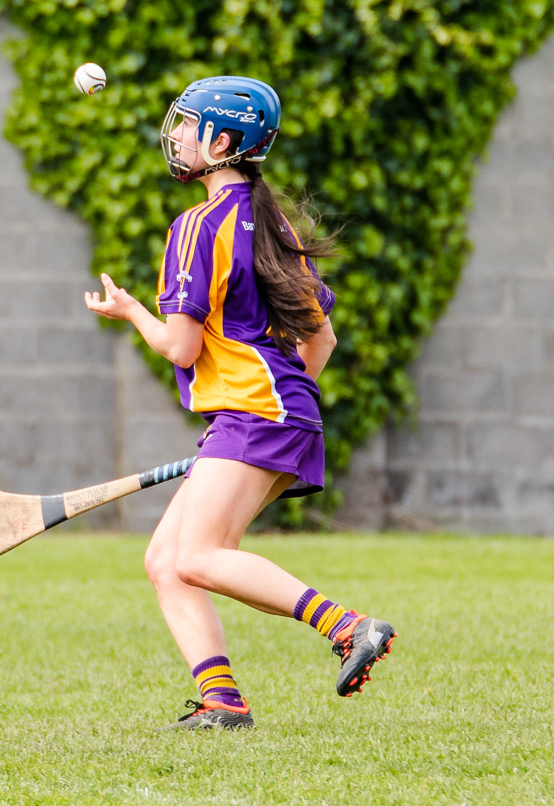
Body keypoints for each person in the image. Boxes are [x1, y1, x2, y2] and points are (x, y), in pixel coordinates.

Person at [84, 76, 396, 730]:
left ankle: (348, 628)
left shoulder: (196, 226)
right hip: (270, 412)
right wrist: (284, 407)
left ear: (217, 142)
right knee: (165, 561)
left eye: (183, 124)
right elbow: (322, 337)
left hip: (259, 414)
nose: (171, 135)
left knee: (196, 555)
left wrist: (132, 310)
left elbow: (179, 347)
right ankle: (220, 702)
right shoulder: (270, 221)